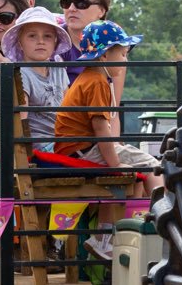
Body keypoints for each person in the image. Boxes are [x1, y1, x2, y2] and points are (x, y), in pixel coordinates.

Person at [54, 21, 162, 193]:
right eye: (123, 54)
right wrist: (115, 164)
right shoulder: (97, 82)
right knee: (152, 166)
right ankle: (161, 215)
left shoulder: (89, 78)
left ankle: (132, 216)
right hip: (82, 150)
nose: (125, 60)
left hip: (75, 148)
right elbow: (100, 127)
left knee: (137, 171)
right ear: (104, 56)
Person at [1, 7, 73, 151]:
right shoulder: (21, 74)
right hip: (41, 146)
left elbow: (71, 110)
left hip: (64, 140)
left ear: (55, 42)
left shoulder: (59, 70)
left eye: (47, 36)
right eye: (32, 36)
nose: (40, 41)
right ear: (20, 43)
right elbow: (20, 120)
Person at [58, 0, 113, 83]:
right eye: (66, 2)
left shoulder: (114, 44)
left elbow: (114, 99)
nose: (71, 9)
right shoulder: (51, 40)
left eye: (81, 3)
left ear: (101, 10)